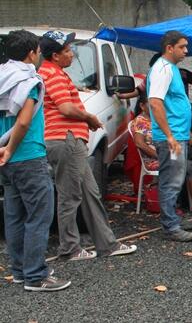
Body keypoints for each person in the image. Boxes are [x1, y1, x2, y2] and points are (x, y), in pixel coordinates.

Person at [38, 30, 137, 259]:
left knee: (90, 193)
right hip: (66, 139)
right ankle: (70, 248)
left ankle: (107, 244)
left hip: (70, 140)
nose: (71, 54)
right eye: (67, 50)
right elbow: (65, 108)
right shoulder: (52, 74)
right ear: (55, 55)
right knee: (69, 196)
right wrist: (88, 118)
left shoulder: (53, 73)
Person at [0, 30, 71, 292]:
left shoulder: (3, 75)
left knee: (15, 215)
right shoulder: (28, 80)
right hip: (28, 154)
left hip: (6, 161)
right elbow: (25, 120)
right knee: (39, 215)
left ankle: (19, 271)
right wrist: (11, 148)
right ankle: (35, 275)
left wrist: (4, 150)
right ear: (32, 53)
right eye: (38, 51)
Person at [147, 30, 192, 242]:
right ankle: (170, 226)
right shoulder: (163, 69)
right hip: (171, 136)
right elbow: (155, 102)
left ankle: (173, 219)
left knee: (176, 179)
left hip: (177, 133)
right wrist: (170, 136)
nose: (186, 51)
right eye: (182, 47)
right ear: (170, 48)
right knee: (171, 181)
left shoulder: (171, 68)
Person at [130, 92, 192, 214]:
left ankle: (186, 201)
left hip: (168, 153)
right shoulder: (140, 121)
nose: (157, 107)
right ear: (142, 106)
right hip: (155, 159)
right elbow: (139, 143)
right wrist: (159, 155)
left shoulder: (160, 119)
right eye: (152, 104)